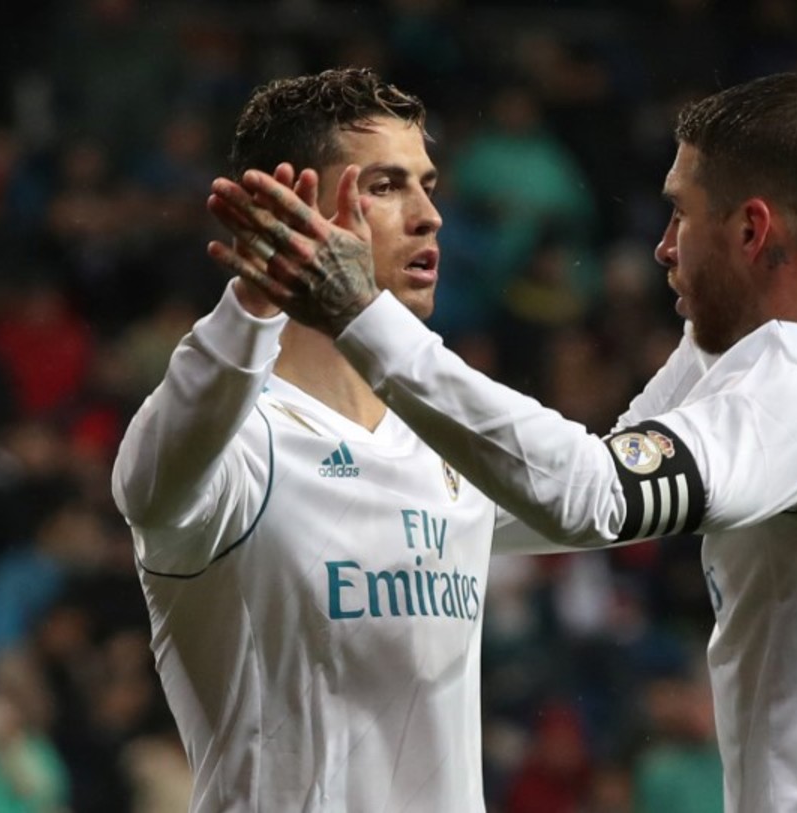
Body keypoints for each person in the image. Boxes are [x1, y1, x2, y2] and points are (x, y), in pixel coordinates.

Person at [211, 72, 797, 811]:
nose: (664, 245)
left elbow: (590, 494)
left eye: (682, 213)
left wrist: (361, 313)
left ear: (752, 228)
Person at [112, 67, 501, 812]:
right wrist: (254, 300)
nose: (429, 216)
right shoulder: (240, 447)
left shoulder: (451, 440)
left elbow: (603, 492)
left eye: (427, 186)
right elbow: (144, 485)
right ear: (291, 213)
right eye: (385, 186)